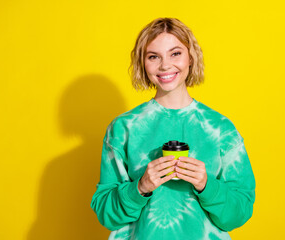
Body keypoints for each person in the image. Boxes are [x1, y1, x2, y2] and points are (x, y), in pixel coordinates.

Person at [91, 17, 256, 240]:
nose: (165, 65)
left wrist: (206, 185)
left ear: (191, 57)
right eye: (153, 56)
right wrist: (141, 187)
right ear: (143, 63)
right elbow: (105, 214)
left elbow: (239, 213)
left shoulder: (220, 129)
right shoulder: (123, 128)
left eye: (175, 53)